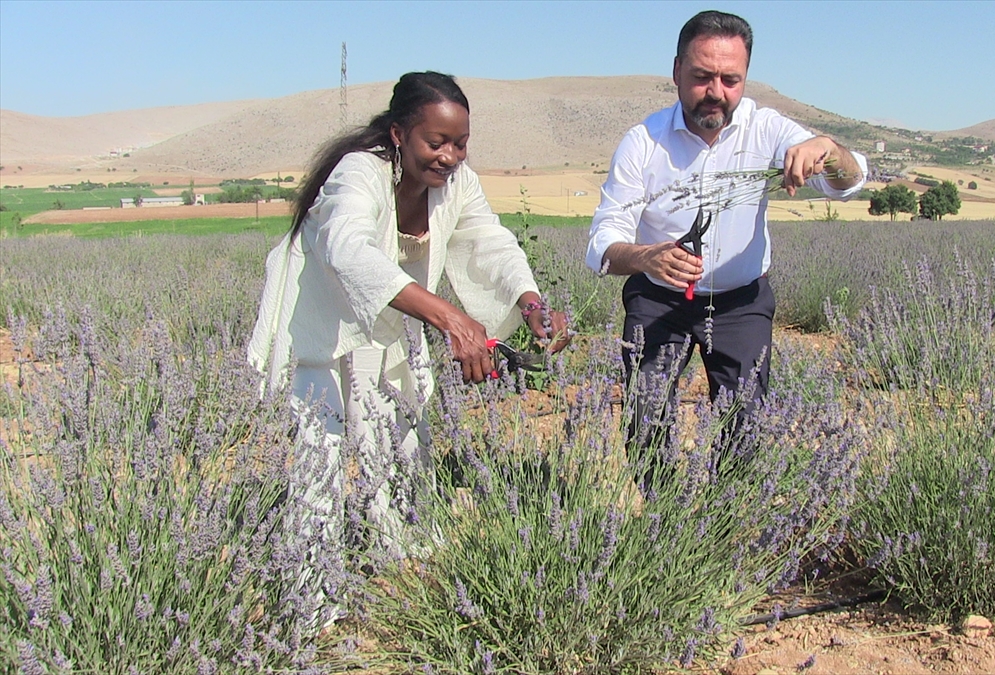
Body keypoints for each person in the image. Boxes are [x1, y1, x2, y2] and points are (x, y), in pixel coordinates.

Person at [247, 71, 568, 624]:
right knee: (317, 455)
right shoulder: (359, 173)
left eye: (461, 142)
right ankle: (311, 609)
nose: (449, 156)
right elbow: (347, 251)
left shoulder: (458, 182)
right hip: (320, 325)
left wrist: (531, 301)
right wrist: (451, 318)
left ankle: (395, 564)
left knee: (401, 437)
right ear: (399, 134)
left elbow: (490, 240)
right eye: (436, 142)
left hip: (391, 320)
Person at [586, 10, 867, 463]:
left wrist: (827, 149)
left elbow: (849, 183)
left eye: (730, 79)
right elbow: (603, 238)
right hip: (659, 298)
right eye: (702, 77)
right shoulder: (642, 141)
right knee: (646, 420)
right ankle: (665, 522)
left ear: (746, 77)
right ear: (676, 71)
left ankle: (728, 524)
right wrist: (645, 257)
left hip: (741, 303)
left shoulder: (768, 129)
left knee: (746, 423)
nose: (716, 92)